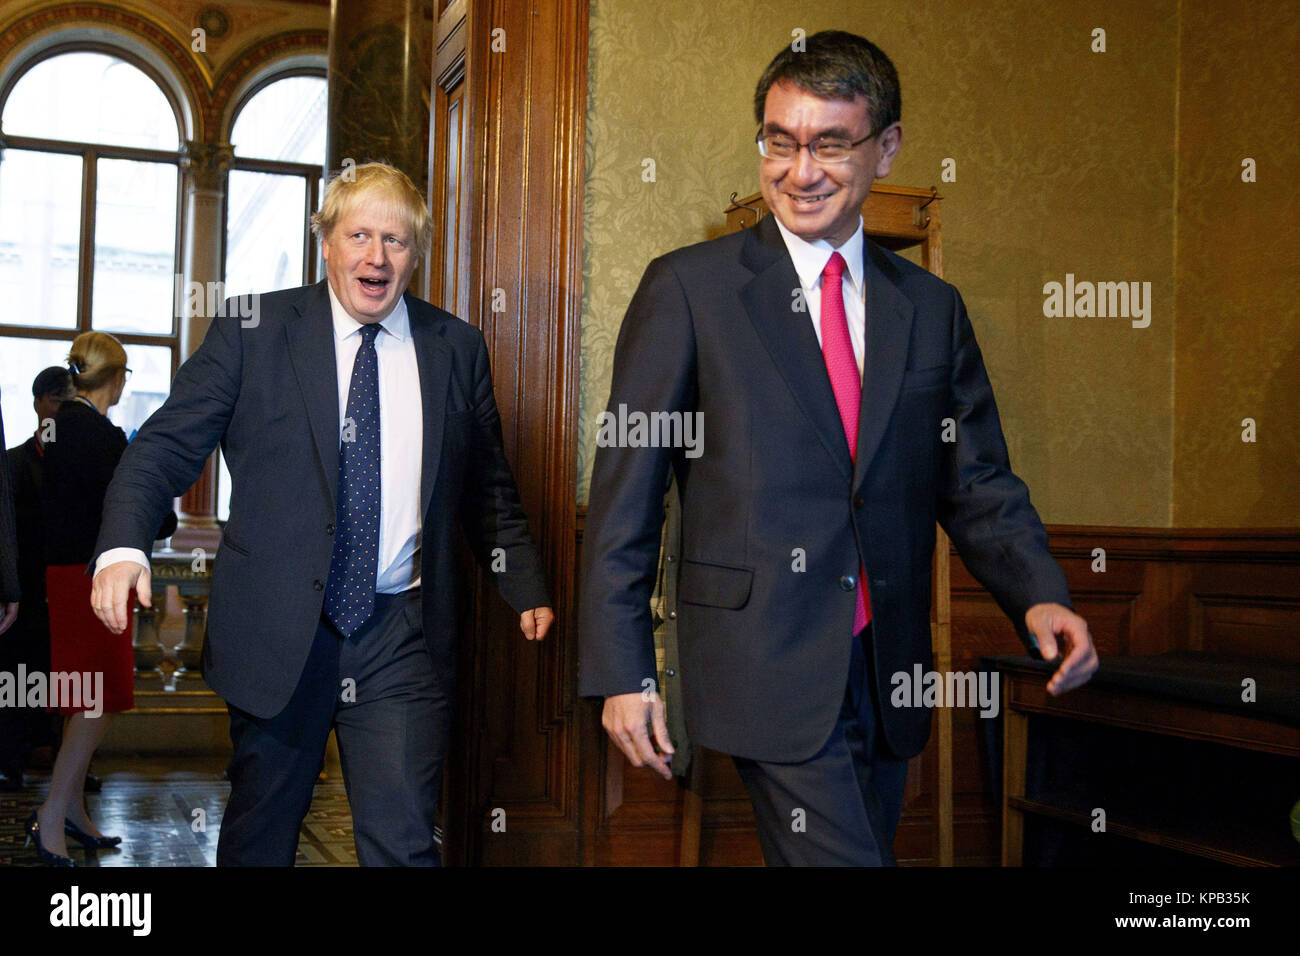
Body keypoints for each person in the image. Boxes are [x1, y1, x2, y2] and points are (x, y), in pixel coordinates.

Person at [579, 31, 1098, 866]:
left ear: (885, 146)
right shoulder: (689, 289)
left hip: (886, 668)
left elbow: (977, 479)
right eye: (780, 142)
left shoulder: (930, 309)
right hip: (763, 658)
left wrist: (1038, 593)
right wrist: (620, 669)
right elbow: (626, 494)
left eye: (830, 143)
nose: (801, 170)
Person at [91, 162, 554, 866]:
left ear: (415, 252)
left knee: (402, 844)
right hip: (277, 633)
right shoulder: (254, 329)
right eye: (360, 235)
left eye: (395, 240)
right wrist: (124, 548)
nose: (377, 256)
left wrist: (520, 581)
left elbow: (487, 484)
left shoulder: (454, 348)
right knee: (260, 839)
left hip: (401, 631)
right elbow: (160, 451)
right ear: (326, 242)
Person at [27, 336, 177, 865]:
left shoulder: (57, 428)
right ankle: (52, 814)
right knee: (97, 701)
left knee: (89, 701)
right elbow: (160, 519)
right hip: (95, 580)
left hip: (64, 577)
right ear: (116, 378)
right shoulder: (100, 435)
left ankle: (68, 810)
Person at [1, 367, 75, 791]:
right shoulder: (12, 462)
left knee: (68, 677)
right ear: (37, 403)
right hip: (24, 589)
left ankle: (66, 762)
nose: (59, 411)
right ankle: (10, 758)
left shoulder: (74, 462)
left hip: (63, 589)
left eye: (65, 403)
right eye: (53, 402)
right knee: (15, 676)